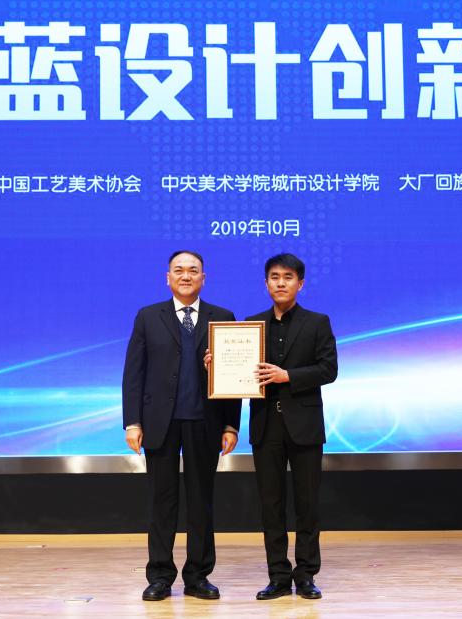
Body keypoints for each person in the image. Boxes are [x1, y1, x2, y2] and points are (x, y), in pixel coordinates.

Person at [121, 250, 241, 602]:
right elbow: (133, 373)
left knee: (201, 501)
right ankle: (160, 576)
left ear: (204, 277)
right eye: (179, 270)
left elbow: (234, 375)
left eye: (193, 270)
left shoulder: (223, 317)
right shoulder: (148, 316)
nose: (186, 276)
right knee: (161, 501)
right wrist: (132, 422)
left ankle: (198, 576)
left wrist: (231, 424)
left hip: (206, 420)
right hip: (159, 422)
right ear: (167, 277)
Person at [247, 253, 337, 600]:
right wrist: (217, 365)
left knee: (307, 504)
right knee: (270, 505)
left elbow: (328, 369)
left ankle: (306, 575)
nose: (280, 283)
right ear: (265, 283)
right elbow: (239, 372)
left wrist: (289, 376)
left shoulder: (317, 322)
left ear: (300, 283)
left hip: (305, 425)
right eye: (274, 277)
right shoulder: (251, 325)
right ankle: (278, 577)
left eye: (288, 277)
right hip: (265, 425)